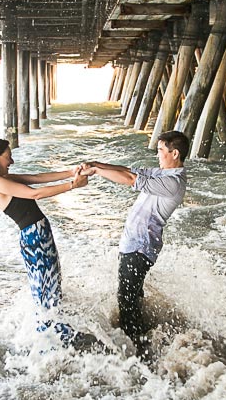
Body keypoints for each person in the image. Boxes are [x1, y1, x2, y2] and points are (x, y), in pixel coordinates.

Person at [79, 130, 189, 357]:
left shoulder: (173, 183)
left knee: (126, 302)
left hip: (140, 247)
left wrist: (97, 171)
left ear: (174, 153)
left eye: (161, 150)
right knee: (132, 298)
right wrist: (96, 163)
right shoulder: (162, 173)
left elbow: (131, 180)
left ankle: (137, 354)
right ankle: (143, 344)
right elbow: (130, 171)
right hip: (133, 245)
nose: (157, 154)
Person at [0, 136, 87, 345]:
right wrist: (72, 185)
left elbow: (37, 178)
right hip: (35, 238)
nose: (10, 161)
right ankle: (49, 345)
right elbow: (36, 194)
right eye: (7, 157)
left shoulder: (0, 178)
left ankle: (57, 339)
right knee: (46, 294)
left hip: (37, 236)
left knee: (50, 289)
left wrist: (71, 172)